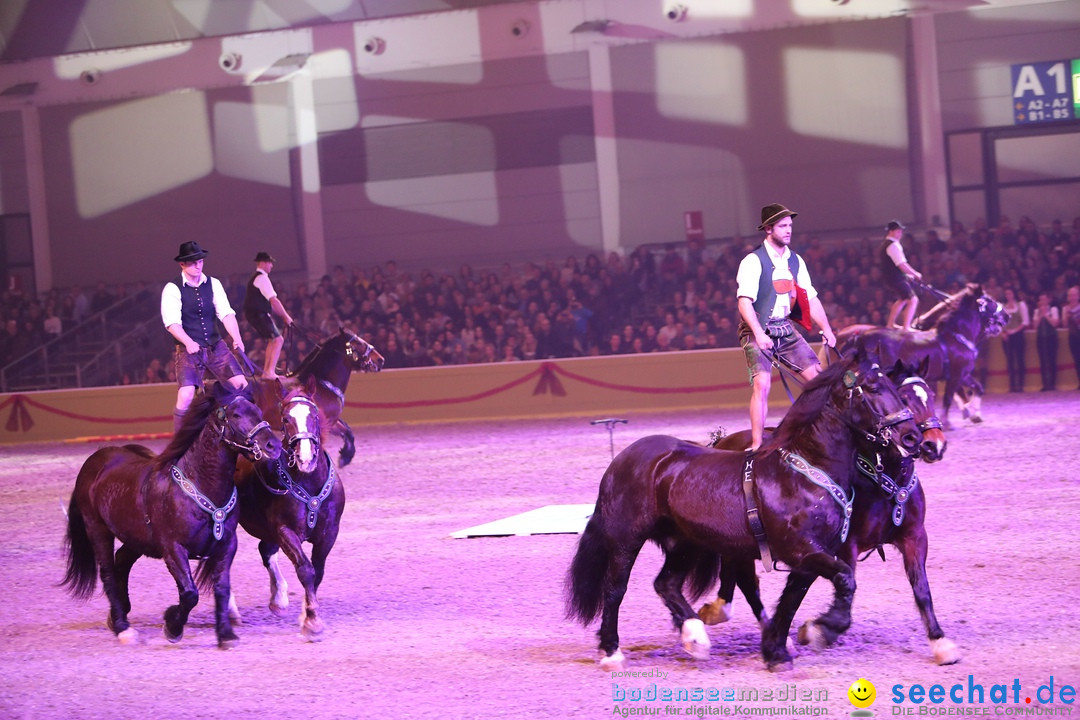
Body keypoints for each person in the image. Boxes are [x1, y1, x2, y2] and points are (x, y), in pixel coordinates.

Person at [736, 203, 836, 450]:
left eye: (790, 225)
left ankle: (816, 435)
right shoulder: (753, 261)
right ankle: (757, 443)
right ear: (768, 229)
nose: (789, 230)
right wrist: (759, 334)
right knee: (762, 384)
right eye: (783, 226)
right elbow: (744, 302)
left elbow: (810, 297)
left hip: (784, 327)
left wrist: (826, 327)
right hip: (756, 328)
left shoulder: (795, 260)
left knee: (818, 382)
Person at [160, 241, 248, 432]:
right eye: (192, 263)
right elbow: (172, 323)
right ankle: (180, 440)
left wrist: (236, 337)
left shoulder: (213, 284)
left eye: (200, 262)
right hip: (187, 349)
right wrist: (188, 341)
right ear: (182, 264)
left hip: (215, 345)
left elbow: (226, 313)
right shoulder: (172, 288)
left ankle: (231, 426)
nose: (198, 266)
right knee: (186, 395)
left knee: (241, 384)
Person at [243, 251, 294, 379]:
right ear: (264, 263)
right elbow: (274, 300)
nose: (271, 266)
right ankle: (269, 372)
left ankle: (268, 371)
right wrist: (286, 317)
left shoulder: (256, 278)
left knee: (274, 340)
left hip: (256, 313)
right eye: (270, 263)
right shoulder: (262, 278)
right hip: (258, 314)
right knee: (278, 339)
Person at [880, 220, 923, 331]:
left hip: (891, 277)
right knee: (913, 300)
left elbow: (893, 265)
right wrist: (915, 273)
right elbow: (901, 264)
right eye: (898, 231)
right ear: (891, 231)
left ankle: (890, 324)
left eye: (900, 231)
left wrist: (906, 275)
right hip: (895, 278)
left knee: (902, 299)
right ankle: (906, 327)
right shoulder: (893, 245)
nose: (900, 234)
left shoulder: (886, 244)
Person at [1000, 286, 1030, 392]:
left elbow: (1025, 321)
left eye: (1010, 293)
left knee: (1020, 359)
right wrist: (1002, 333)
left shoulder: (1020, 305)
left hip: (1018, 335)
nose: (1008, 296)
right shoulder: (1003, 307)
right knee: (1010, 361)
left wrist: (1014, 330)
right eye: (1006, 294)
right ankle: (1012, 385)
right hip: (1007, 336)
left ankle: (1021, 384)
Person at [1032, 292, 1060, 391]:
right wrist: (1041, 315)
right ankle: (1045, 384)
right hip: (1041, 337)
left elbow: (1055, 323)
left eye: (1044, 300)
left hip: (1051, 337)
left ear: (1048, 300)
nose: (1042, 302)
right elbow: (1035, 326)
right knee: (1042, 360)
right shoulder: (1036, 311)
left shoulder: (1053, 309)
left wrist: (1046, 315)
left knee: (1052, 359)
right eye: (1040, 300)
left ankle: (1052, 383)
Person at [1064, 286, 1080, 390]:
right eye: (1070, 295)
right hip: (1073, 336)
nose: (1072, 297)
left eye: (1074, 294)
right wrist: (1067, 316)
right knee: (1077, 359)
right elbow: (1064, 324)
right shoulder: (1066, 308)